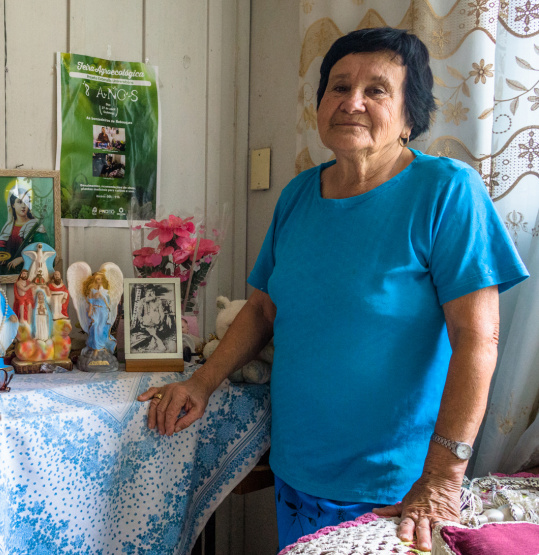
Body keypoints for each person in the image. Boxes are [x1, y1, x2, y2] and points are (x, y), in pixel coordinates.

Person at [137, 27, 529, 552]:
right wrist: (202, 383)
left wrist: (442, 477)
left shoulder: (447, 192)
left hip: (395, 490)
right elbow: (263, 309)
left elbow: (478, 340)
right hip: (297, 470)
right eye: (339, 87)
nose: (352, 102)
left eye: (376, 90)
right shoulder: (299, 194)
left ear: (410, 116)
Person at [0, 184, 48, 273]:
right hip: (9, 270)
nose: (24, 206)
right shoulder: (8, 227)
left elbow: (42, 249)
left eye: (26, 202)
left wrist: (22, 259)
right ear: (13, 204)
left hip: (29, 270)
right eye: (20, 202)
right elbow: (1, 246)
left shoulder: (36, 226)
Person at [132, 286, 175, 352]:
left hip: (156, 320)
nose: (150, 293)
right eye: (148, 292)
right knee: (151, 327)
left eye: (152, 292)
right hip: (146, 321)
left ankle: (153, 343)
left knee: (154, 325)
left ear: (154, 292)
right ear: (145, 293)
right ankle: (159, 342)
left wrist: (161, 320)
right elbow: (139, 313)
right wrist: (141, 320)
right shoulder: (142, 301)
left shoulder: (158, 300)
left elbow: (161, 312)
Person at [83, 270, 115, 352]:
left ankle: (101, 346)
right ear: (94, 280)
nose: (99, 281)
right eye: (98, 279)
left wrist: (101, 295)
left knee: (101, 328)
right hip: (96, 310)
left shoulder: (104, 290)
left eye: (101, 279)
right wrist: (90, 310)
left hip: (103, 310)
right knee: (95, 326)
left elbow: (108, 302)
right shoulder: (92, 290)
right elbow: (90, 301)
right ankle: (96, 347)